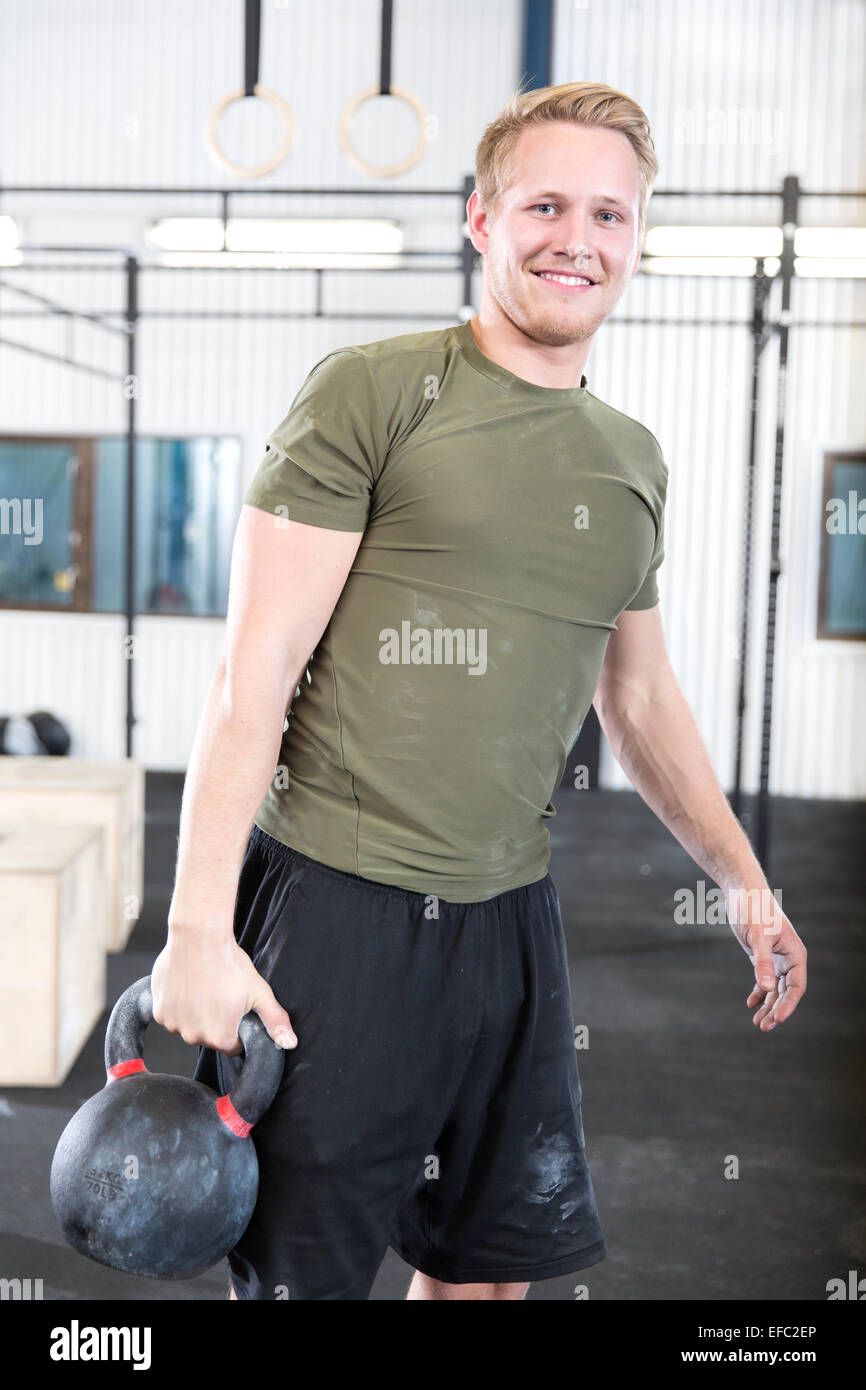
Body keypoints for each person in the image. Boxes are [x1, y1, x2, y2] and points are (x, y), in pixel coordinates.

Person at [151, 80, 807, 1302]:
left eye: (608, 214)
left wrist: (741, 880)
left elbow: (640, 697)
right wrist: (196, 929)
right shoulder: (373, 391)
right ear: (480, 219)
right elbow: (253, 671)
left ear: (633, 240)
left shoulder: (630, 460)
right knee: (306, 1277)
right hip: (340, 911)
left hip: (511, 920)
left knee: (489, 1273)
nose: (578, 237)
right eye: (545, 204)